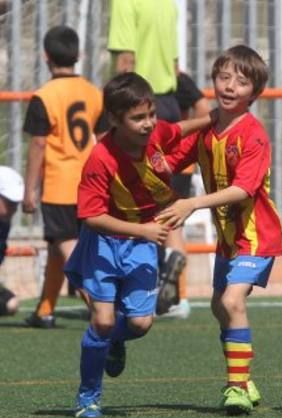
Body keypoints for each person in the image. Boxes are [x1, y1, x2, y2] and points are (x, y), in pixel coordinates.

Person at [65, 72, 211, 418]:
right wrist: (141, 230)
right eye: (138, 118)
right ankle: (88, 395)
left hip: (141, 243)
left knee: (141, 324)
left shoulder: (157, 133)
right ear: (115, 119)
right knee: (101, 320)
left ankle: (114, 340)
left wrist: (215, 118)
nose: (148, 124)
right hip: (104, 243)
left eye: (151, 115)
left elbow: (179, 130)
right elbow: (90, 216)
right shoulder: (101, 158)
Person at [157, 45, 282, 415]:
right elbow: (167, 162)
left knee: (231, 301)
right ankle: (242, 376)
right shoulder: (206, 131)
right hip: (229, 239)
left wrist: (191, 203)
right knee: (218, 305)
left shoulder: (254, 135)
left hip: (256, 236)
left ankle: (236, 387)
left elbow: (244, 189)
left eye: (241, 82)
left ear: (254, 93)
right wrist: (143, 149)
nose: (230, 86)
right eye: (224, 77)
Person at [22, 25, 108, 329]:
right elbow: (106, 139)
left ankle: (101, 309)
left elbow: (39, 143)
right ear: (79, 55)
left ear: (45, 56)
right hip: (92, 185)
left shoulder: (44, 96)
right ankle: (45, 309)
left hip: (60, 187)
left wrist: (29, 189)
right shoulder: (94, 93)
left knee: (68, 248)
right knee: (60, 246)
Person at [107, 0, 187, 317]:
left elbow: (127, 62)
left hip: (136, 109)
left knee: (126, 198)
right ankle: (177, 294)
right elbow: (176, 65)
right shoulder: (167, 5)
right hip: (165, 104)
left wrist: (115, 113)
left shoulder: (126, 3)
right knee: (165, 199)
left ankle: (127, 291)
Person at [159, 72, 213, 319]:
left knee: (167, 223)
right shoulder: (173, 77)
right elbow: (203, 108)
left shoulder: (172, 79)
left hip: (169, 162)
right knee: (172, 225)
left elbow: (204, 109)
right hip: (175, 164)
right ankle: (177, 296)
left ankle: (174, 298)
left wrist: (187, 144)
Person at [0, 166, 25, 317]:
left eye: (16, 204)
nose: (14, 209)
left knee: (11, 304)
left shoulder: (4, 224)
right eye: (9, 202)